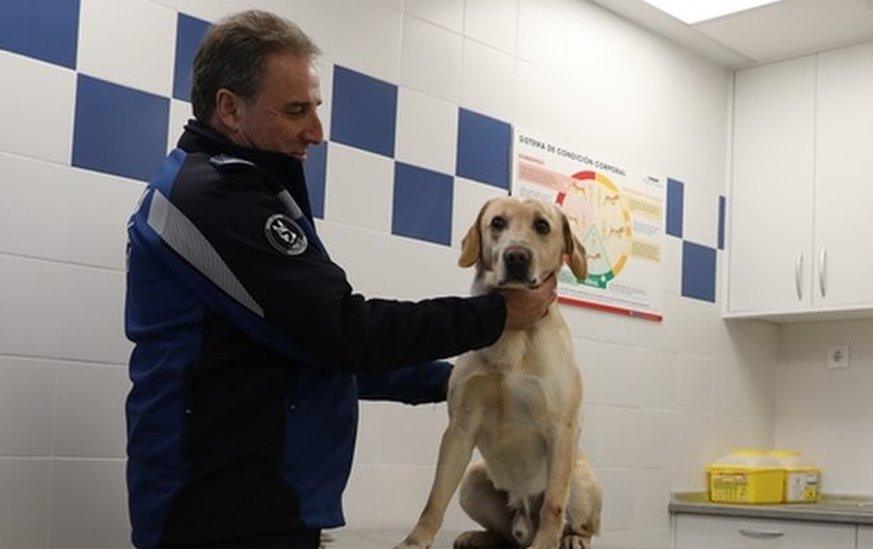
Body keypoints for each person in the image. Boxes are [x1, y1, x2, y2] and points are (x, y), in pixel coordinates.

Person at [124, 9, 555, 549]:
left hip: (261, 506)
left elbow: (309, 352)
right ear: (230, 108)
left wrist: (452, 382)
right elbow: (344, 332)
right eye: (296, 110)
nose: (317, 132)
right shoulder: (212, 197)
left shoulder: (241, 190)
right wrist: (495, 315)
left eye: (316, 108)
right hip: (220, 515)